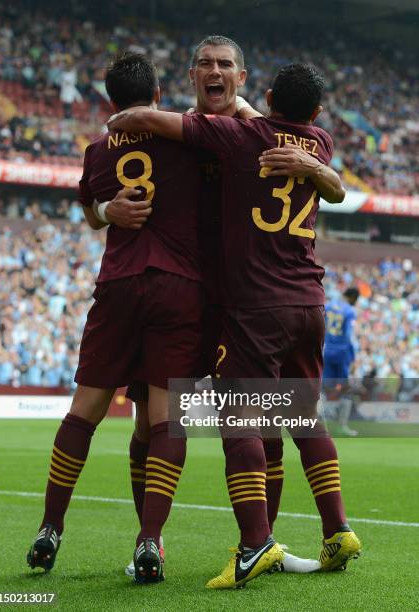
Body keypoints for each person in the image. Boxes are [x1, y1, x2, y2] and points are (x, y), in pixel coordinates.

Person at [108, 61, 361, 585]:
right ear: (315, 112)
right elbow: (333, 186)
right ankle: (338, 530)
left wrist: (127, 116)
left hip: (255, 307)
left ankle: (253, 545)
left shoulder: (240, 137)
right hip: (309, 300)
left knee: (238, 423)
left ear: (262, 91)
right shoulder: (320, 141)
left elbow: (150, 123)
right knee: (302, 419)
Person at [27, 51, 207, 583]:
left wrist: (108, 212)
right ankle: (150, 539)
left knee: (85, 410)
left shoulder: (97, 151)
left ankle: (49, 527)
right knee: (164, 418)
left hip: (119, 285)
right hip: (179, 288)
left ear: (110, 102)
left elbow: (88, 212)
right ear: (157, 97)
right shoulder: (185, 137)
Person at [323, 286, 360, 436]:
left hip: (326, 350)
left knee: (323, 388)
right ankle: (342, 426)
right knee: (345, 388)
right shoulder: (350, 311)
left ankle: (320, 427)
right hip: (342, 352)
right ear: (353, 298)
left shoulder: (328, 306)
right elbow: (349, 335)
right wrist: (353, 356)